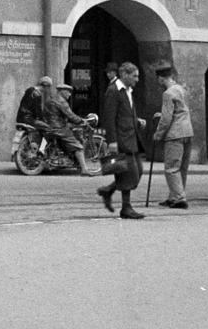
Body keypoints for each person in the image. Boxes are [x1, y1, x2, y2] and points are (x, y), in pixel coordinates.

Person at [98, 63, 144, 217]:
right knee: (130, 173)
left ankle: (108, 190)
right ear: (124, 74)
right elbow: (109, 117)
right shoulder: (114, 91)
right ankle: (126, 207)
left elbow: (125, 113)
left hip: (131, 137)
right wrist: (112, 141)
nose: (137, 80)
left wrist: (137, 121)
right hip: (121, 138)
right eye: (134, 76)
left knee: (137, 171)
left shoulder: (128, 91)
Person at [151, 63, 193, 209]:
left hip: (174, 134)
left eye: (158, 79)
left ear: (161, 78)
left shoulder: (168, 93)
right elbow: (180, 111)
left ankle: (179, 198)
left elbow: (167, 118)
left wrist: (158, 134)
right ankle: (173, 196)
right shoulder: (181, 89)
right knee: (182, 167)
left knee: (171, 168)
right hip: (187, 131)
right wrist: (162, 114)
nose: (158, 82)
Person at [35, 75, 91, 178]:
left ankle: (47, 153)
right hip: (58, 127)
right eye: (68, 92)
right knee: (77, 145)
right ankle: (84, 169)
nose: (69, 94)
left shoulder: (50, 99)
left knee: (59, 136)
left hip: (48, 126)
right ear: (62, 91)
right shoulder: (61, 101)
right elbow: (70, 115)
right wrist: (81, 121)